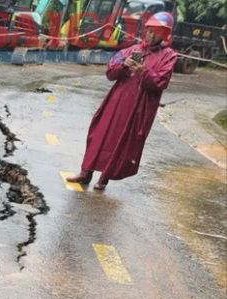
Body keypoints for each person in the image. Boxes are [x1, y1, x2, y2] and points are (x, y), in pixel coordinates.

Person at [67, 12, 178, 191]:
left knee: (122, 141)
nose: (151, 35)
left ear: (165, 35)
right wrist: (123, 65)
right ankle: (85, 172)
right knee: (99, 133)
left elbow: (160, 82)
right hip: (116, 101)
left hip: (139, 108)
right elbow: (110, 73)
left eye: (156, 32)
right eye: (149, 31)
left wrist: (143, 72)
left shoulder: (169, 56)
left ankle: (104, 178)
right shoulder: (133, 50)